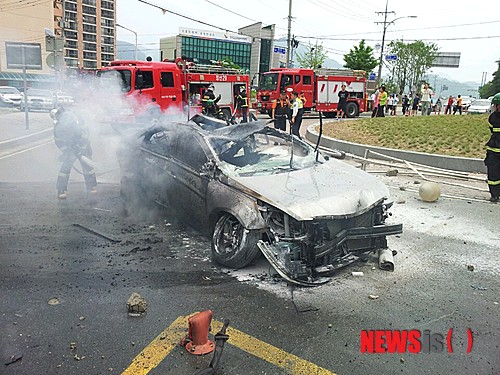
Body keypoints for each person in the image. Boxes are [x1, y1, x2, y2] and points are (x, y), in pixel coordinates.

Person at [51, 107, 97, 200]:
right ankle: (61, 190)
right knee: (65, 167)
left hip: (82, 144)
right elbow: (59, 141)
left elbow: (85, 134)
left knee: (87, 166)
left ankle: (91, 187)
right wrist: (66, 151)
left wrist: (82, 148)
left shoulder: (77, 119)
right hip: (70, 147)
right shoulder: (58, 125)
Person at [484, 93, 500, 202]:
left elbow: (492, 130)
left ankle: (495, 195)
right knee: (494, 175)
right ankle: (495, 194)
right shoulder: (493, 116)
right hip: (494, 150)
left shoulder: (493, 117)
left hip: (494, 149)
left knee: (493, 174)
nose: (494, 107)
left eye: (495, 105)